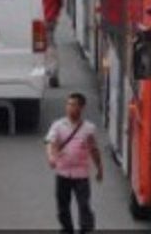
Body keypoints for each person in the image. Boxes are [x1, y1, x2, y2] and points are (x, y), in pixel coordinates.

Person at [45, 92, 103, 234]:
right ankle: (67, 229)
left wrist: (99, 168)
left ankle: (86, 229)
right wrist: (51, 157)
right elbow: (50, 142)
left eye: (73, 105)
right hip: (63, 173)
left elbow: (94, 149)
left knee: (84, 205)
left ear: (81, 107)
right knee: (63, 206)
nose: (69, 107)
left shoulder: (89, 128)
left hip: (81, 175)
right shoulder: (58, 125)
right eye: (68, 104)